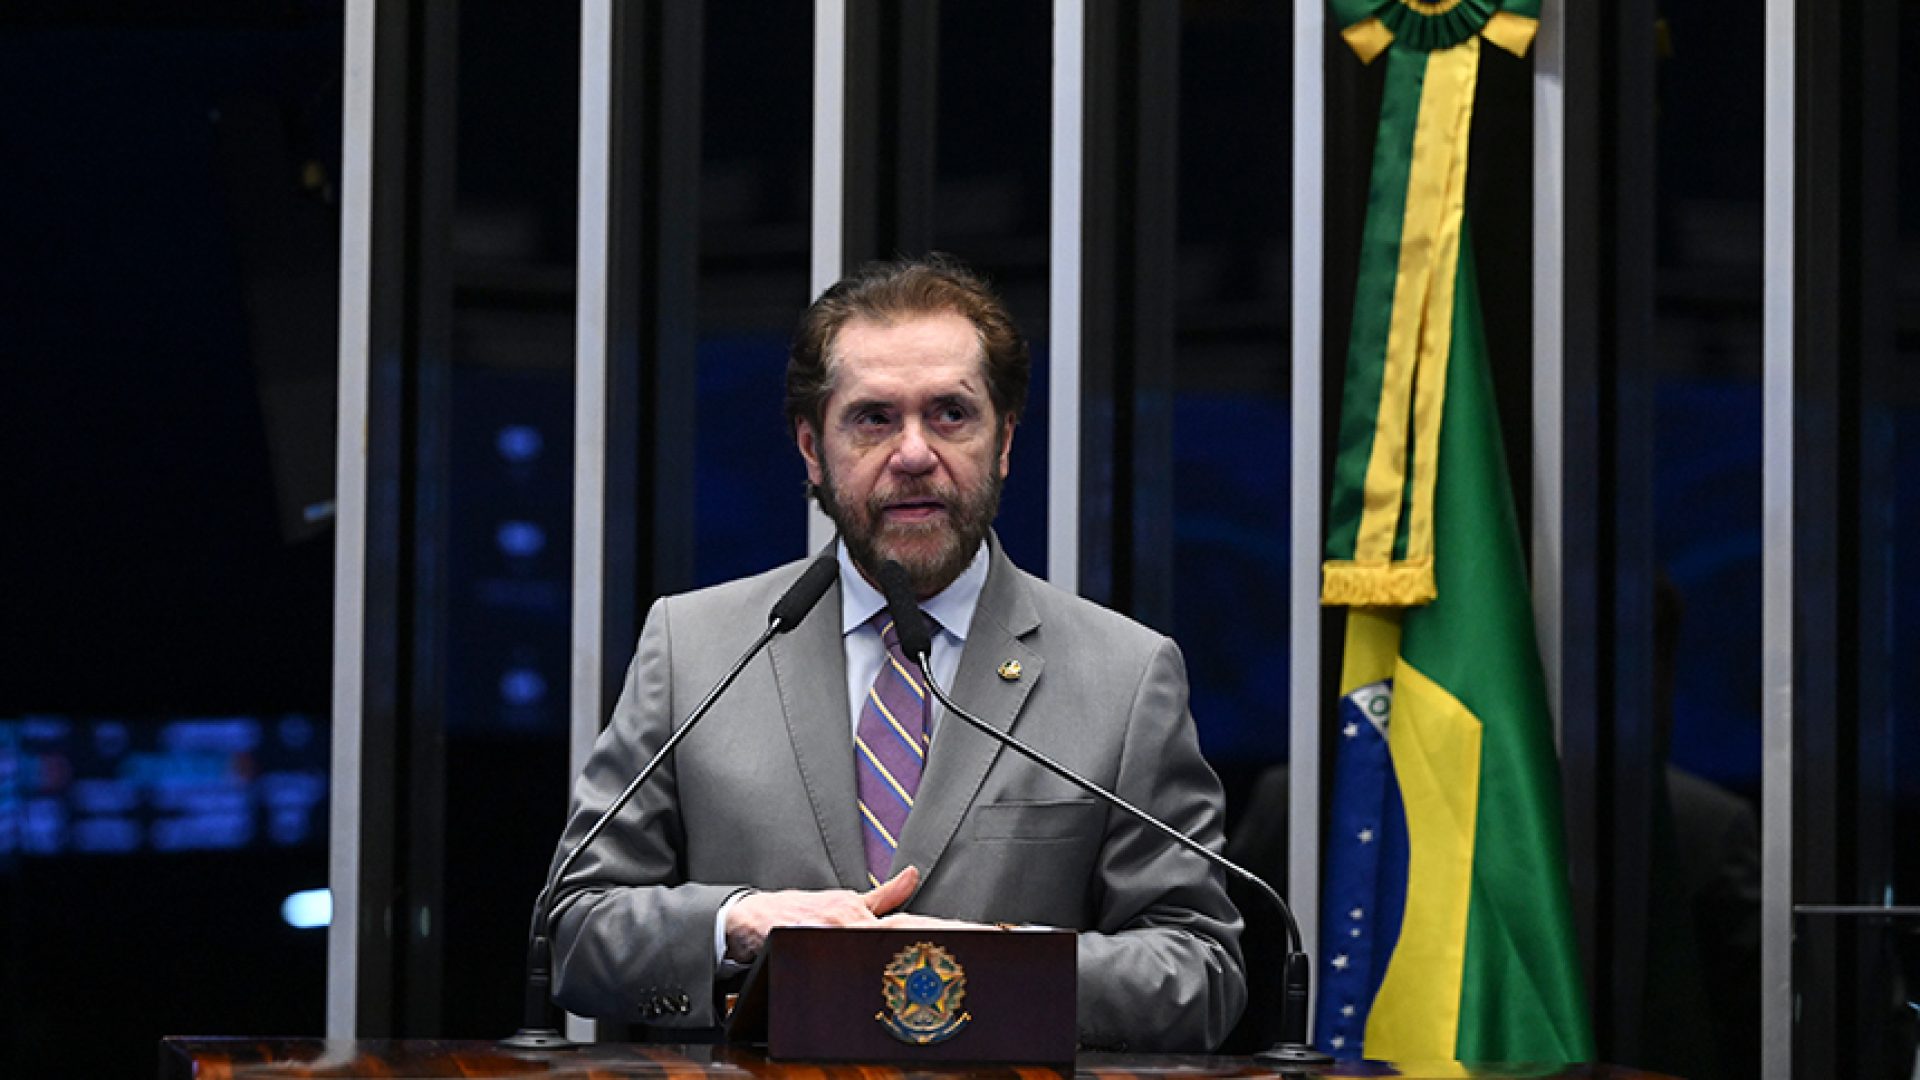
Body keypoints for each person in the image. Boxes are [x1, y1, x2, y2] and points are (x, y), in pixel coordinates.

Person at [545, 254, 1246, 1051]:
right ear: (812, 449)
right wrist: (735, 923)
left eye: (951, 414)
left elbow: (1202, 970)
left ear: (1006, 439)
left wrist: (996, 968)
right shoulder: (697, 647)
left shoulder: (1123, 675)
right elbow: (574, 927)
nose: (913, 453)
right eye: (874, 418)